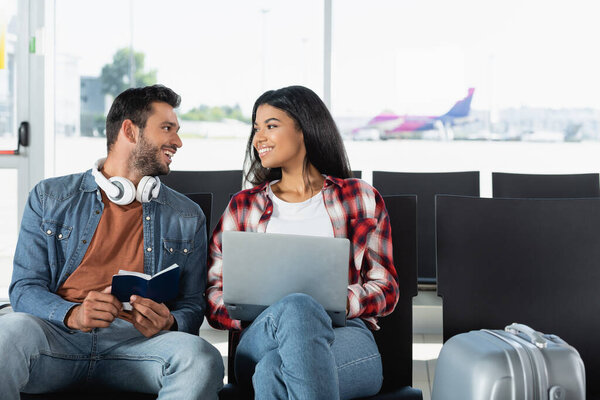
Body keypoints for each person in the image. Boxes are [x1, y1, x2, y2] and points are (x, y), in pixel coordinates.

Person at [1, 85, 223, 399]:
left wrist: (171, 322)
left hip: (138, 346)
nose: (178, 141)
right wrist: (73, 314)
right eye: (167, 128)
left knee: (201, 358)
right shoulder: (50, 197)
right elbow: (25, 288)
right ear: (130, 131)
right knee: (6, 336)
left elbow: (191, 305)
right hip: (57, 338)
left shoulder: (187, 215)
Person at [206, 85, 399, 399]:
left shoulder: (360, 197)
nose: (258, 139)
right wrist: (282, 313)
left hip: (347, 339)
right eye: (256, 129)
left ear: (305, 129)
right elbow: (214, 297)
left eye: (271, 126)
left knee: (273, 372)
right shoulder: (243, 206)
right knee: (296, 307)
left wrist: (333, 304)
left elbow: (386, 288)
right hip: (261, 337)